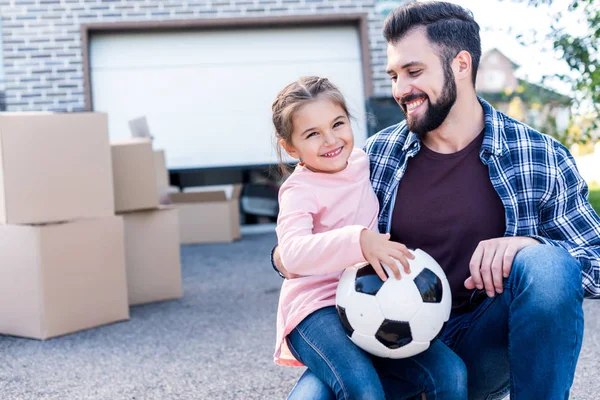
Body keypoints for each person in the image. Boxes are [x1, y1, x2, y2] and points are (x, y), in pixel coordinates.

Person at [271, 2, 600, 399]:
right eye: (394, 75)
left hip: (482, 341)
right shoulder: (373, 158)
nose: (399, 90)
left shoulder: (539, 156)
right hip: (383, 339)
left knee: (547, 266)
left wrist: (527, 246)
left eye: (413, 72)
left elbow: (593, 260)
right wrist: (281, 258)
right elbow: (302, 228)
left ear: (461, 64)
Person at [271, 75, 465, 400]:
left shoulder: (363, 161)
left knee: (451, 374)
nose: (331, 140)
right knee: (362, 387)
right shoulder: (298, 191)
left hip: (372, 298)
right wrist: (358, 241)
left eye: (338, 124)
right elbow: (291, 253)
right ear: (291, 147)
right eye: (312, 134)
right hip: (314, 309)